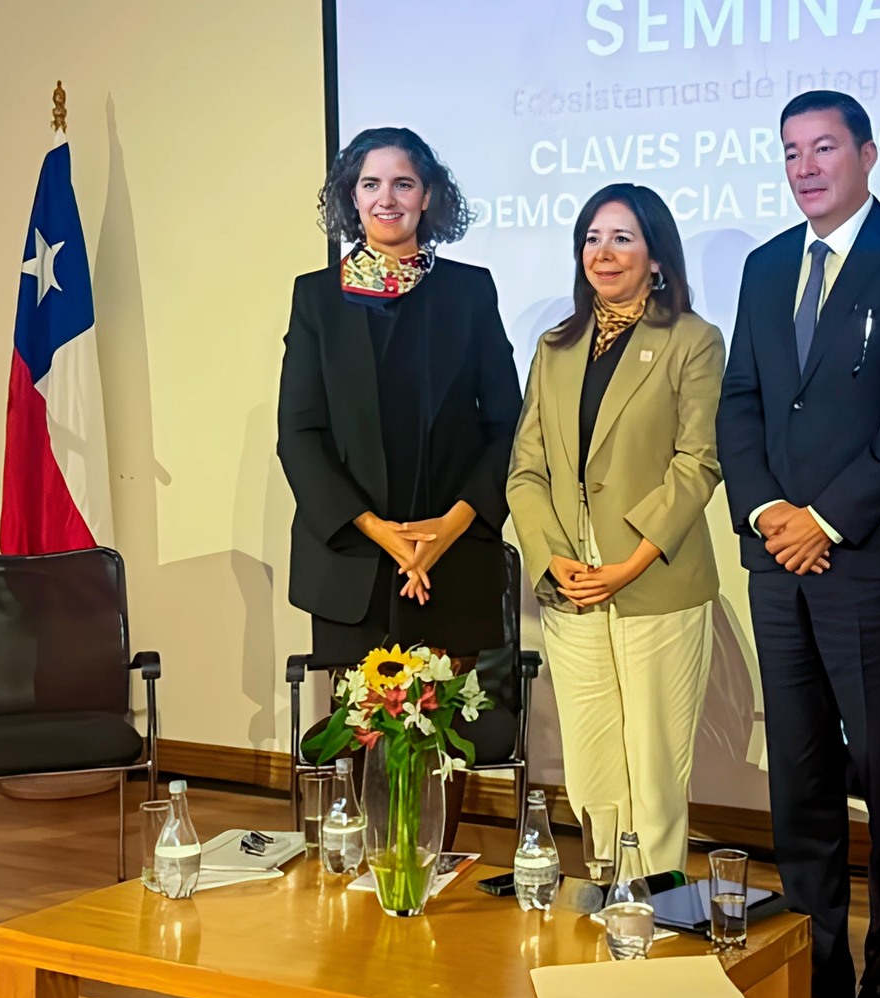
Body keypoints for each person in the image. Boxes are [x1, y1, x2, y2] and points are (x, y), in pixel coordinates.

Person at [718, 90, 880, 998]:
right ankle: (818, 965)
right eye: (790, 153)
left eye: (822, 148)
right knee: (799, 777)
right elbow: (740, 406)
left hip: (871, 562)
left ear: (867, 154)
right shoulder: (767, 267)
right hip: (778, 563)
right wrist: (770, 514)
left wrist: (826, 520)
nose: (805, 167)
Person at [506, 183, 724, 875]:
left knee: (653, 766)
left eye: (622, 238)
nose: (604, 252)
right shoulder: (555, 345)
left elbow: (698, 462)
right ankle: (608, 892)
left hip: (653, 579)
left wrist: (630, 560)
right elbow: (524, 470)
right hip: (572, 582)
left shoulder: (692, 339)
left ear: (656, 256)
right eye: (593, 238)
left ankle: (655, 902)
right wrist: (549, 558)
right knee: (593, 766)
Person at [277, 127, 520, 666]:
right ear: (352, 196)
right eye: (371, 184)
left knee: (449, 741)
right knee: (362, 738)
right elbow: (299, 433)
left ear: (428, 196)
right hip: (351, 560)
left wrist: (448, 528)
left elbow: (509, 426)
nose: (387, 198)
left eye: (403, 184)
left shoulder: (470, 291)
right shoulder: (316, 298)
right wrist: (379, 531)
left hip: (452, 559)